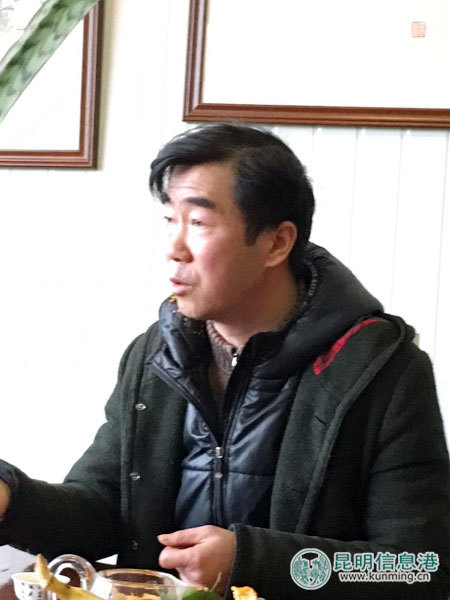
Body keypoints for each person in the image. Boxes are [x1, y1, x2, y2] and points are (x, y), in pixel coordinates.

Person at [1, 123, 449, 599]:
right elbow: (104, 510)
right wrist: (11, 499)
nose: (174, 248)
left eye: (198, 223)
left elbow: (419, 568)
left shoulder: (380, 369)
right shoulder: (156, 354)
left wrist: (252, 561)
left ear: (277, 243)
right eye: (170, 220)